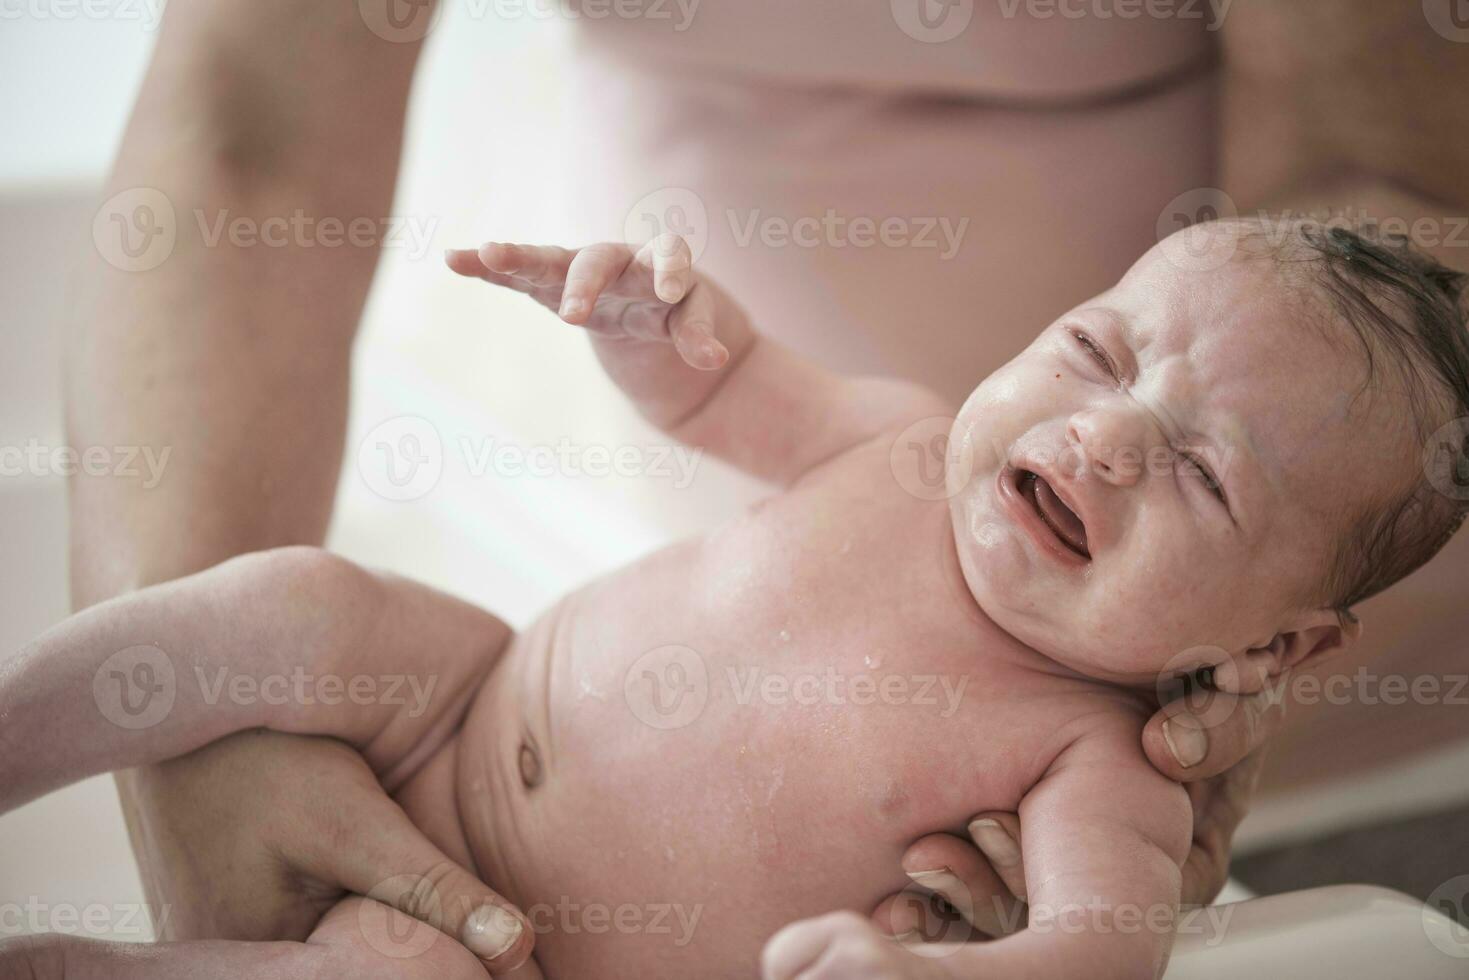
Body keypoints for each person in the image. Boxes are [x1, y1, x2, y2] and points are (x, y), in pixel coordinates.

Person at [46, 0, 1469, 975]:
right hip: (459, 693)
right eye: (1091, 352)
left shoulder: (1111, 761)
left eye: (1202, 474)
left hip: (505, 948)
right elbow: (722, 390)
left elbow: (1098, 948)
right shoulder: (905, 443)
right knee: (284, 607)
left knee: (387, 969)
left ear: (1269, 650)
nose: (1103, 438)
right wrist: (648, 330)